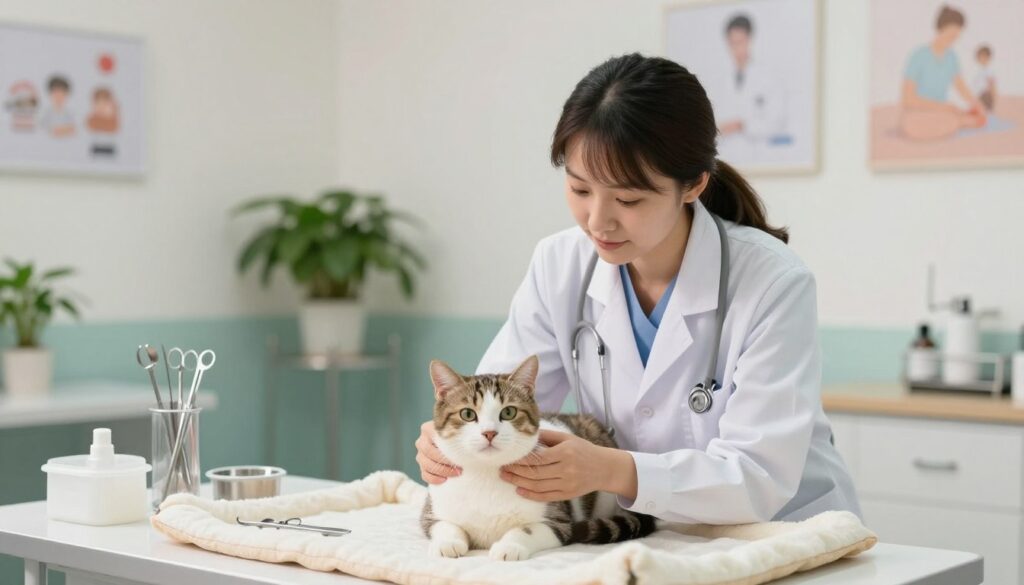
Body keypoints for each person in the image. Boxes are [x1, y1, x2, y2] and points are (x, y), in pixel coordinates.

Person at [415, 53, 861, 524]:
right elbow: (494, 400)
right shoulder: (559, 264)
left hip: (784, 535)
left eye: (627, 198)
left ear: (692, 185)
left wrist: (613, 470)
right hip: (654, 538)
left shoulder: (773, 283)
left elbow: (758, 475)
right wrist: (448, 443)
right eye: (580, 189)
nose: (597, 220)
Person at [899, 5, 986, 140]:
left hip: (942, 114)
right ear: (941, 29)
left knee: (951, 118)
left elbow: (961, 86)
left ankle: (959, 121)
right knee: (913, 124)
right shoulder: (918, 56)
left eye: (957, 35)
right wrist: (944, 107)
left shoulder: (952, 57)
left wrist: (976, 104)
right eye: (951, 34)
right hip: (918, 113)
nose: (954, 38)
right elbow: (908, 99)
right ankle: (960, 122)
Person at [715, 14, 788, 162]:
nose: (736, 49)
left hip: (760, 156)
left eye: (740, 42)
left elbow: (777, 121)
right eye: (732, 43)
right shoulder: (721, 79)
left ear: (750, 40)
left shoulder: (768, 77)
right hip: (727, 157)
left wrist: (743, 125)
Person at [972, 45, 996, 112]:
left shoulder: (989, 70)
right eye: (979, 57)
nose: (981, 59)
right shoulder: (980, 70)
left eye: (983, 56)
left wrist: (993, 98)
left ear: (988, 57)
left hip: (985, 96)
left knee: (985, 114)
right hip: (979, 96)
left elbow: (992, 85)